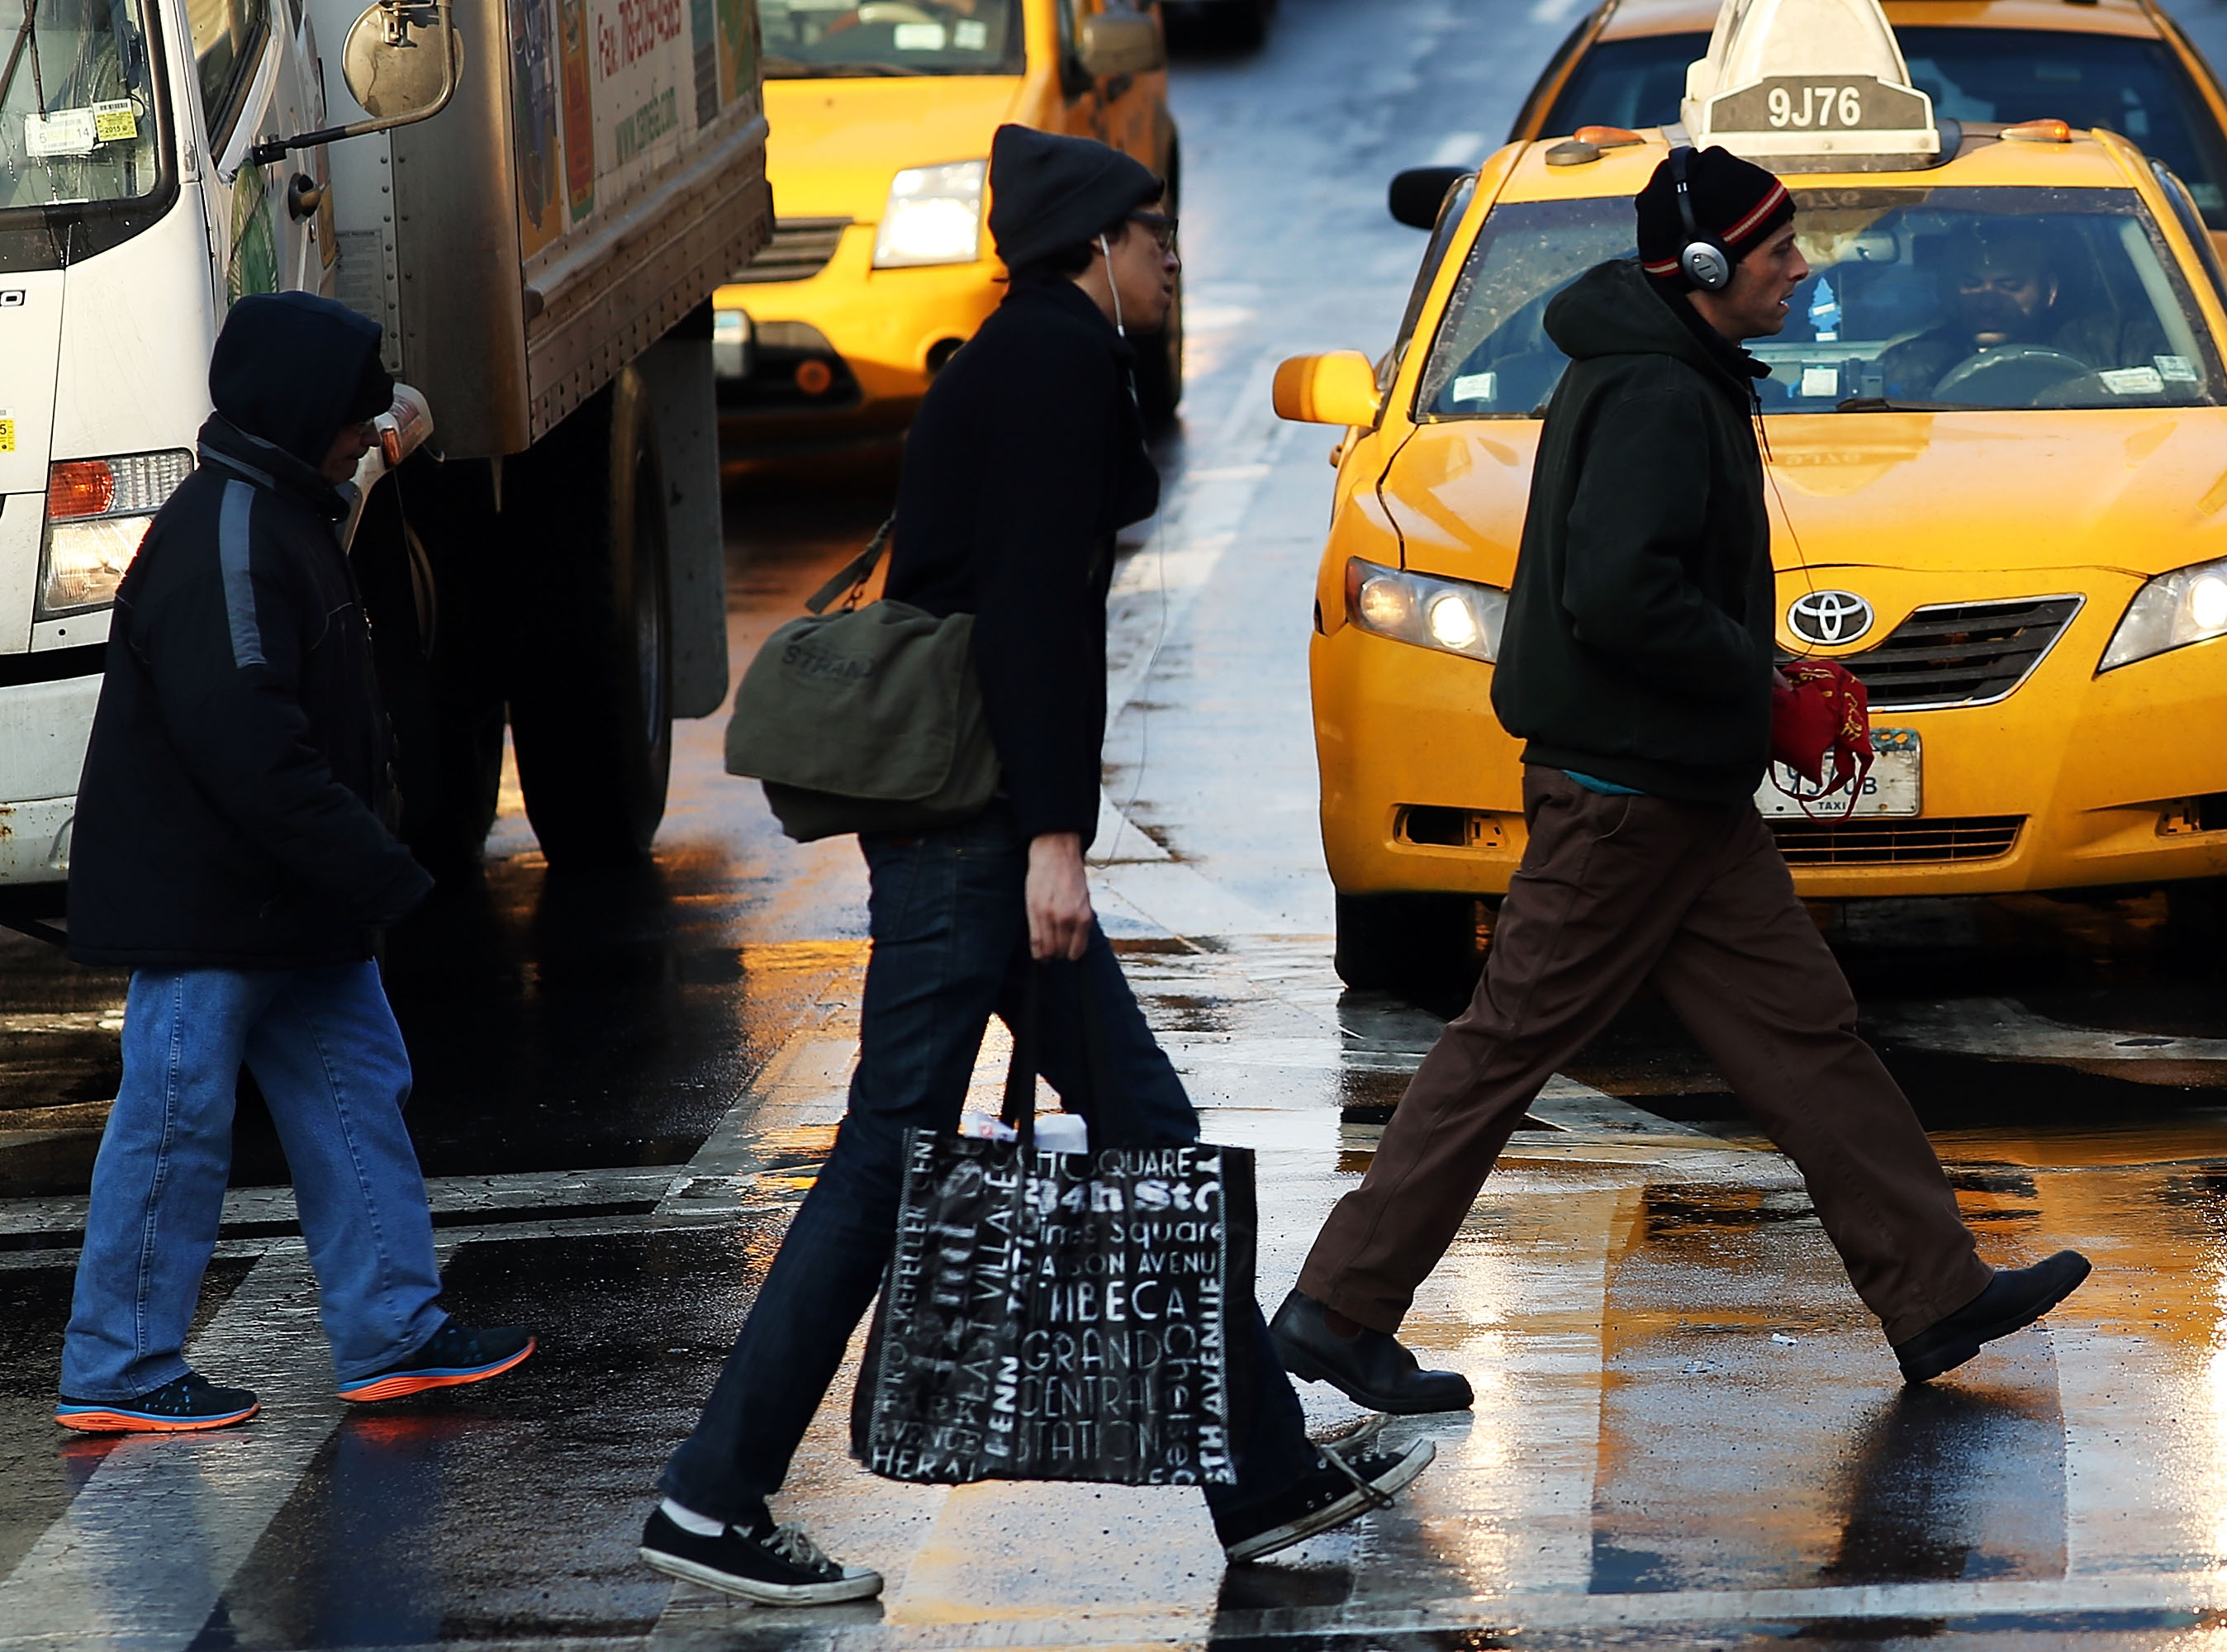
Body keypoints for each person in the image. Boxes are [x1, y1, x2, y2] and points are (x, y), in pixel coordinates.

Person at [638, 126, 1435, 1608]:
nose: (1173, 251)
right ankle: (713, 1492)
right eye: (1151, 230)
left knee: (1151, 1129)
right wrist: (1053, 841)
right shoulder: (1059, 364)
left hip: (980, 817)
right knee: (888, 1154)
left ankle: (1260, 1481)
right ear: (1091, 245)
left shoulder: (1037, 353)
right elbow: (1027, 619)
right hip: (977, 831)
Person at [1270, 147, 2090, 1416]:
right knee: (1504, 1048)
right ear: (1705, 269)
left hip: (1680, 796)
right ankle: (1338, 1307)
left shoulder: (1672, 369)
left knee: (1804, 1036)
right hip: (1626, 797)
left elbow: (1651, 590)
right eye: (1779, 253)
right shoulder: (1656, 391)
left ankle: (1933, 1294)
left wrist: (1751, 678)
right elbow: (1621, 595)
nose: (1800, 272)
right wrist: (1762, 689)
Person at [57, 292, 534, 1433]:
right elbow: (253, 751)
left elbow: (270, 740)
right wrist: (379, 869)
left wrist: (355, 872)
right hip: (215, 903)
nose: (369, 436)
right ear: (305, 415)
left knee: (354, 1092)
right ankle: (118, 1365)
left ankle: (395, 1335)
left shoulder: (272, 511)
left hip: (277, 898)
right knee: (175, 1120)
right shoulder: (237, 533)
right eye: (357, 419)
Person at [1877, 223, 2166, 400]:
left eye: (2009, 285)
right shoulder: (1913, 363)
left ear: (2049, 291)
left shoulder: (2118, 346)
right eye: (1972, 284)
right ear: (1952, 290)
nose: (1987, 302)